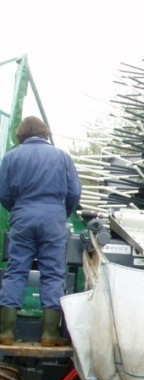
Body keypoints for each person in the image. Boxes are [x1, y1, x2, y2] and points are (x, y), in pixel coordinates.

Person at [0, 116, 82, 346]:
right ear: (44, 133)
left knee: (16, 271)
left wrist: (18, 209)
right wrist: (60, 212)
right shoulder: (62, 157)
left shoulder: (11, 157)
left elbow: (4, 193)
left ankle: (6, 333)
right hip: (53, 218)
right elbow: (74, 192)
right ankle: (50, 335)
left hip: (23, 216)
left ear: (21, 134)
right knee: (53, 273)